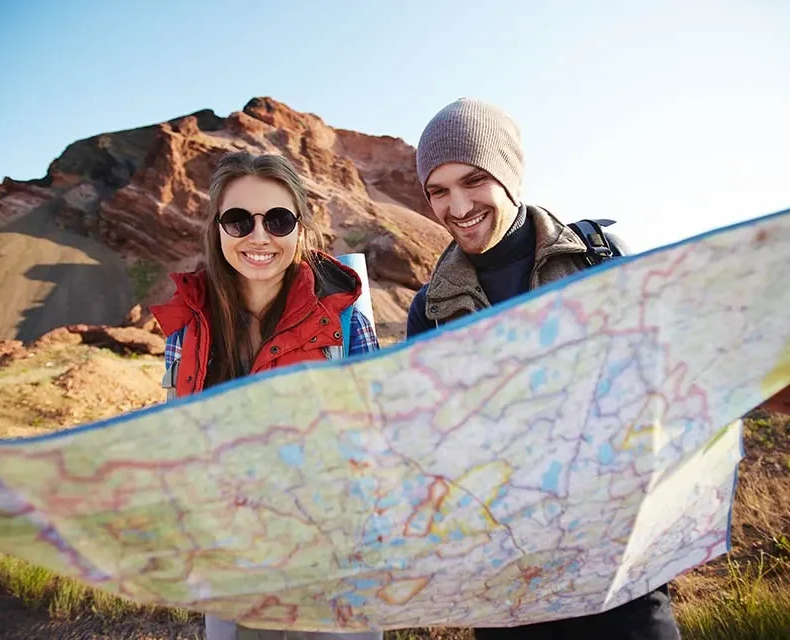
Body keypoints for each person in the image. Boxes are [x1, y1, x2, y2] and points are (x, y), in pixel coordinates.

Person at [406, 97, 683, 639]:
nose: (457, 206)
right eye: (438, 191)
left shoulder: (599, 259)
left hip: (619, 573)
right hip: (507, 582)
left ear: (509, 175)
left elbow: (668, 379)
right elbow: (430, 445)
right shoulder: (429, 310)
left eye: (474, 180)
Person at [151, 151, 381, 640]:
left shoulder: (345, 325)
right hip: (235, 568)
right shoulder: (187, 329)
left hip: (334, 567)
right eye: (238, 220)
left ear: (300, 227)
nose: (259, 237)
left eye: (277, 220)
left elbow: (374, 446)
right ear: (217, 229)